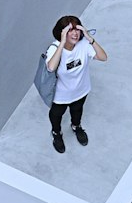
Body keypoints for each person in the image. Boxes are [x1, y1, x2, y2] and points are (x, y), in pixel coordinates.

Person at [45, 15, 107, 153]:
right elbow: (51, 68)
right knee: (56, 115)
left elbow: (103, 57)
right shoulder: (54, 49)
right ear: (62, 33)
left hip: (81, 90)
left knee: (77, 110)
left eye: (77, 29)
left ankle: (76, 126)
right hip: (61, 95)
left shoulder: (84, 44)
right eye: (70, 30)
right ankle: (56, 133)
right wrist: (61, 43)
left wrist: (90, 38)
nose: (75, 33)